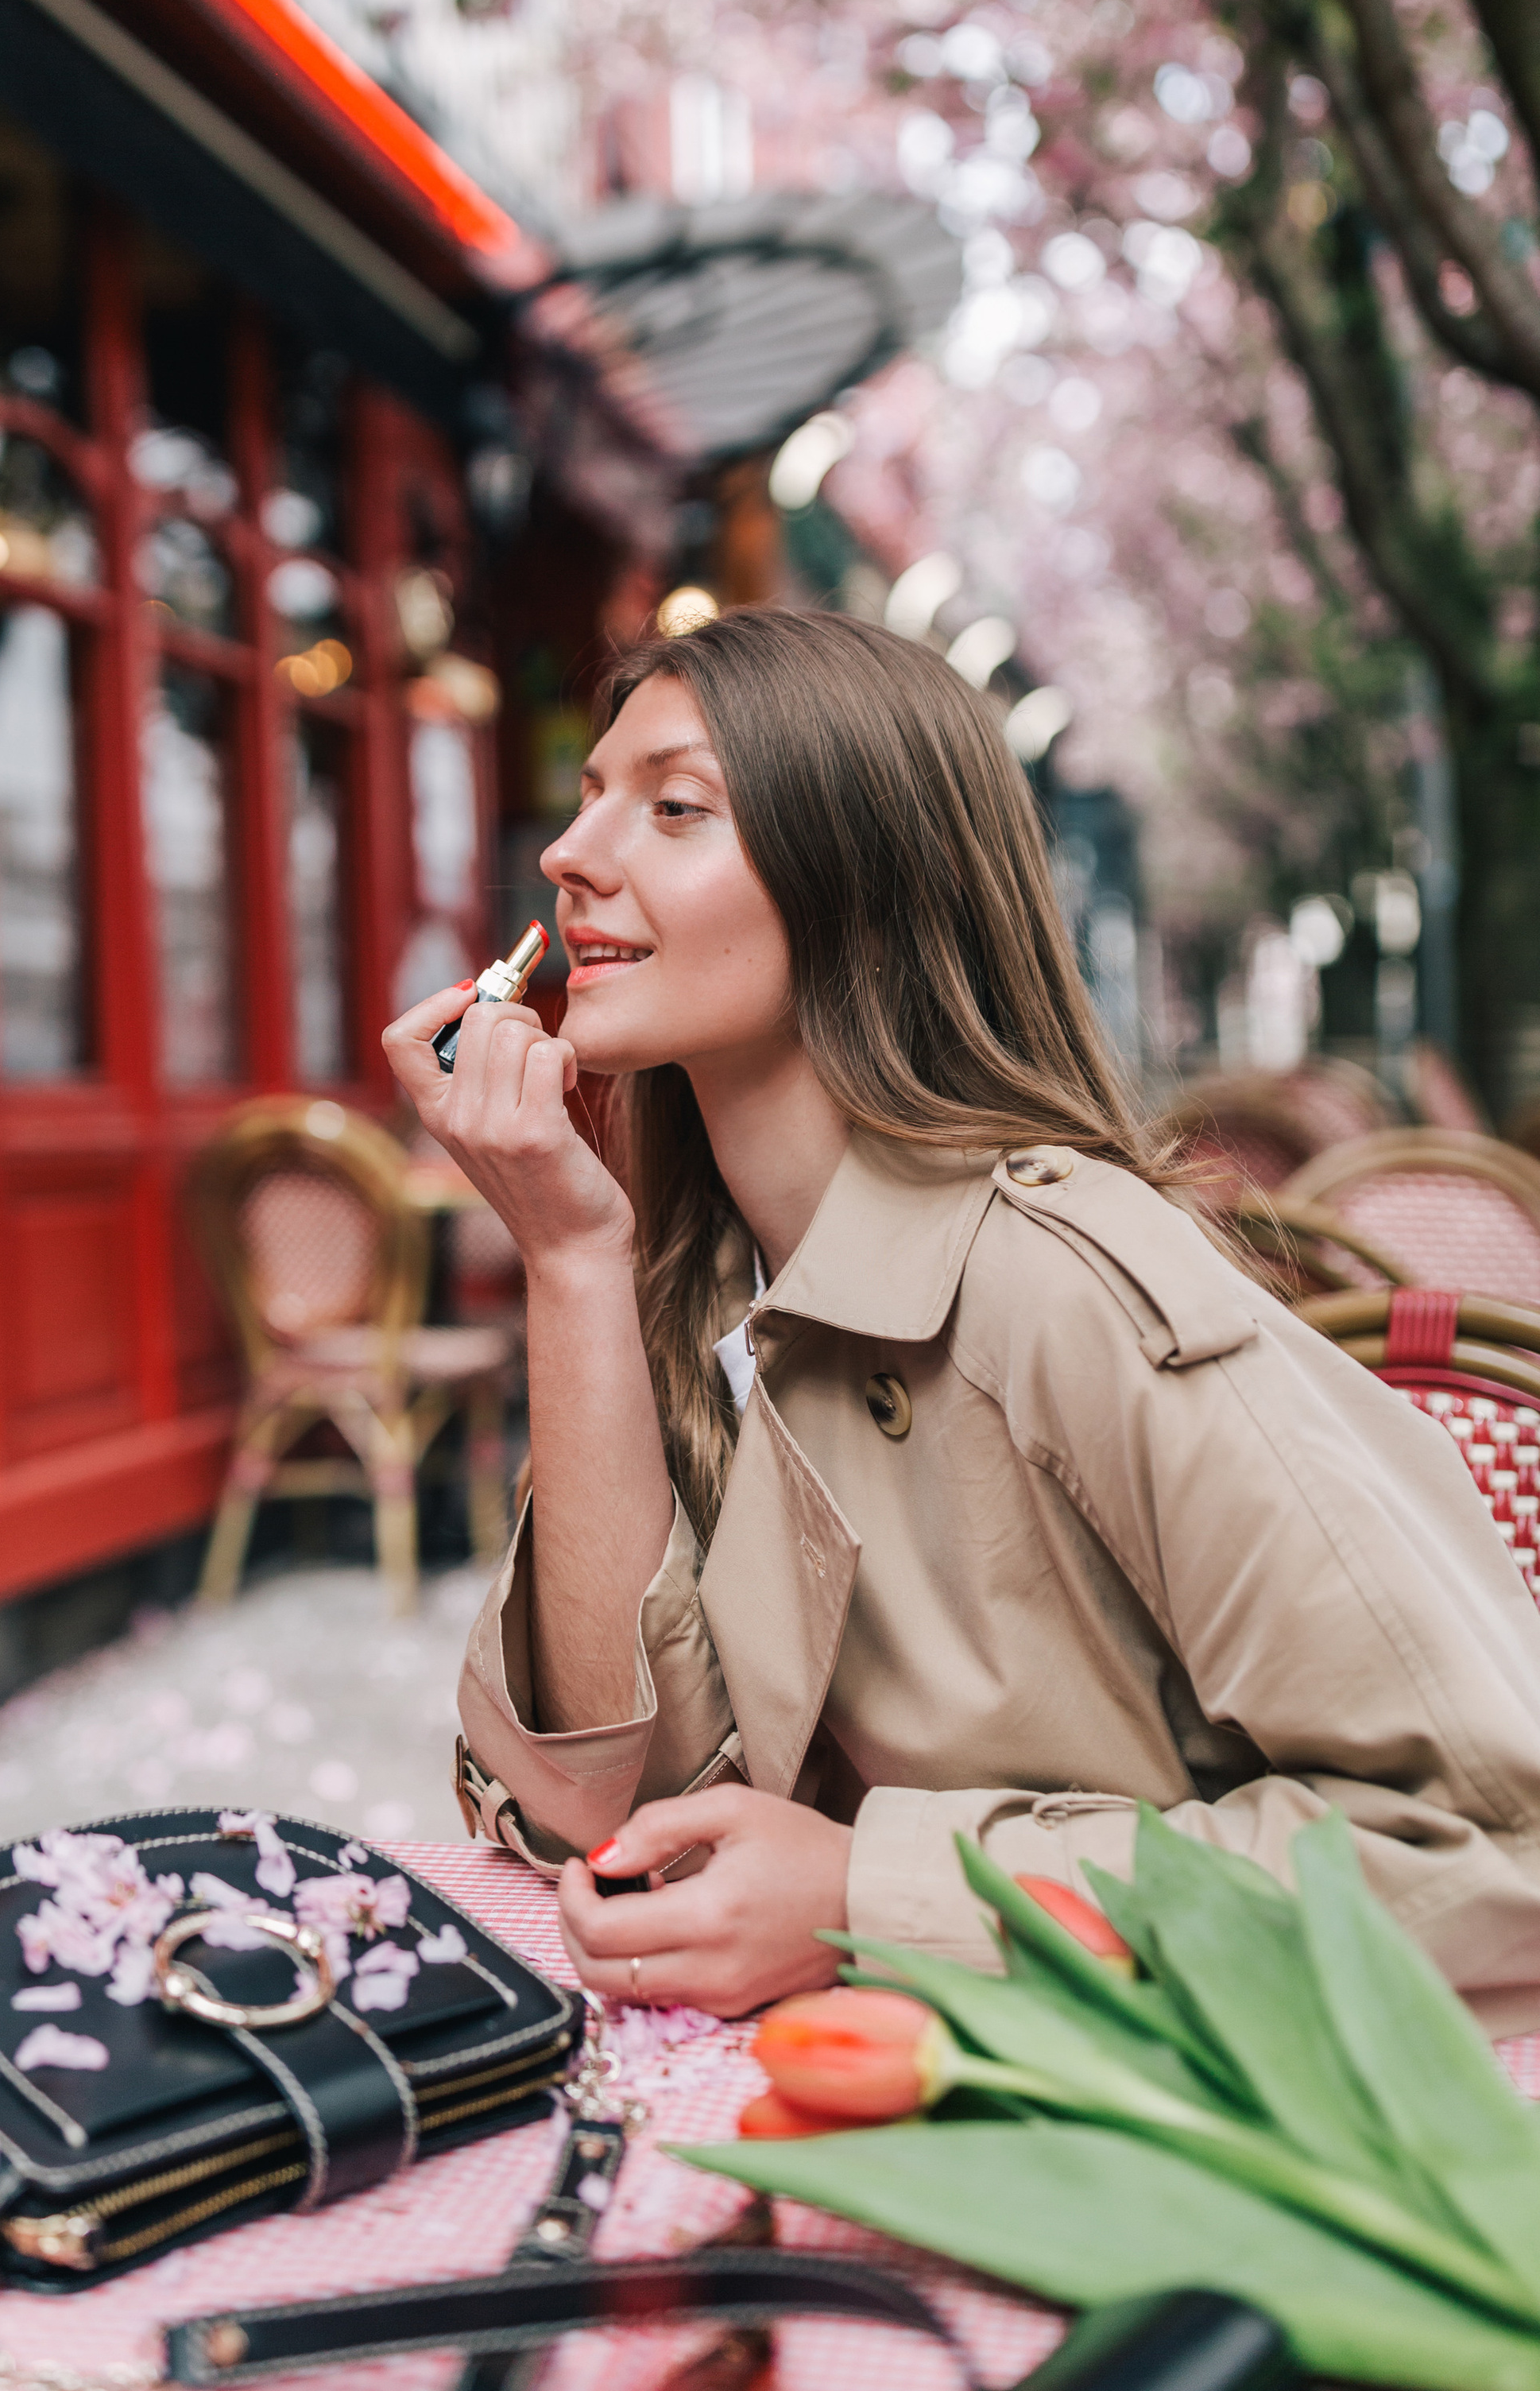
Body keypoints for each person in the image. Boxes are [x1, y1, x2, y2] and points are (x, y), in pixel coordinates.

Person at [382, 606, 1540, 2031]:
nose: (569, 855)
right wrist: (568, 1259)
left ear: (856, 882)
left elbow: (1499, 1863)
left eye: (674, 807)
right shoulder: (707, 1287)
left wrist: (877, 1898)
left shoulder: (1068, 1289)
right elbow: (605, 1815)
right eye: (591, 797)